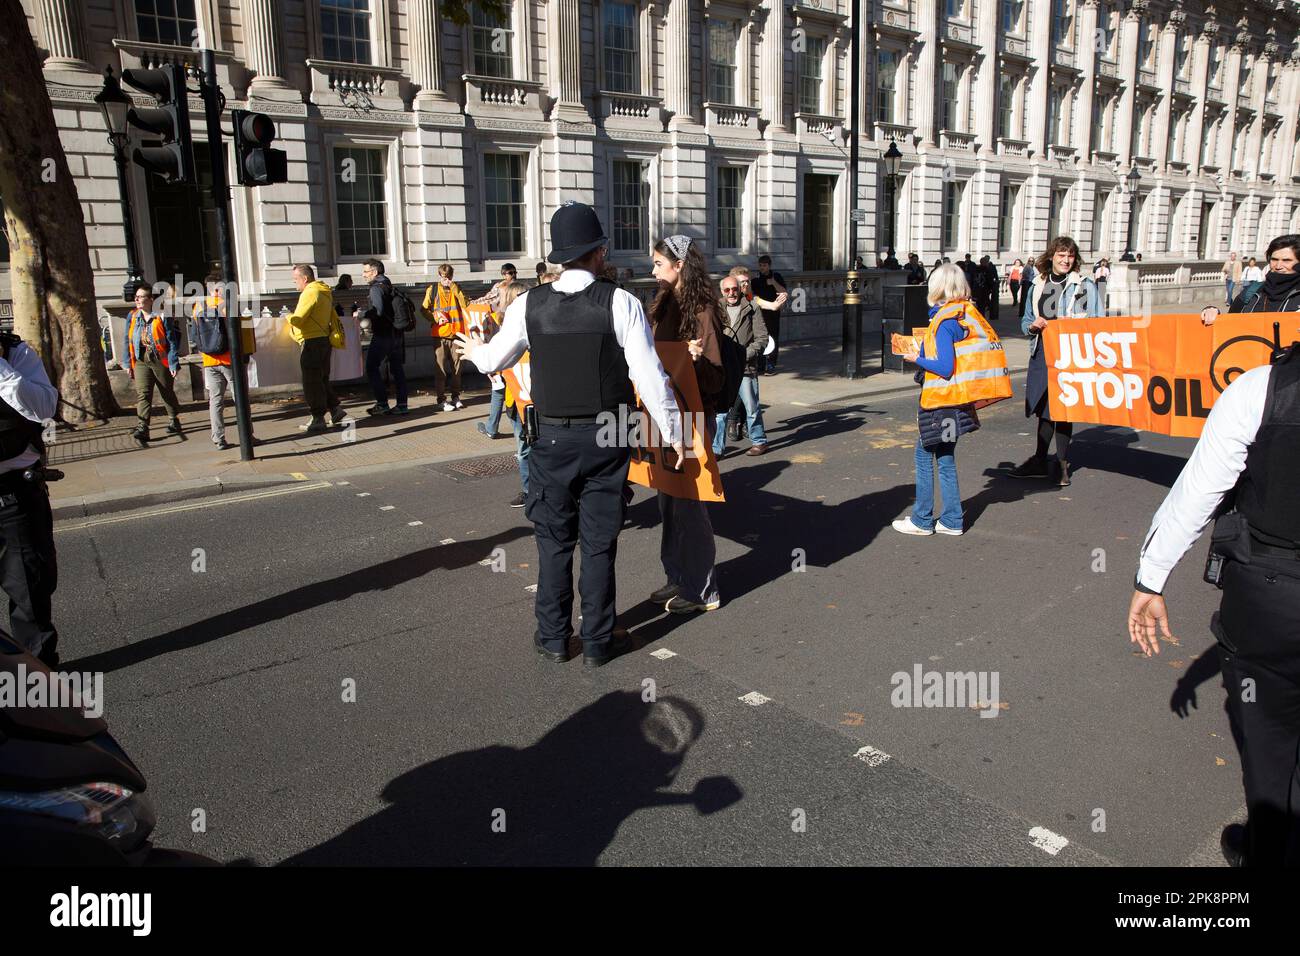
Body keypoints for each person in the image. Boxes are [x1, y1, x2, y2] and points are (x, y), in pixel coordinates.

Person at [455, 202, 683, 668]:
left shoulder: (528, 303)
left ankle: (554, 638)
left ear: (559, 255)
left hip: (550, 440)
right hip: (607, 436)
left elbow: (495, 361)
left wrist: (476, 351)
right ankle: (598, 641)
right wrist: (678, 435)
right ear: (598, 251)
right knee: (600, 543)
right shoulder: (621, 303)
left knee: (554, 541)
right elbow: (650, 378)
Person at [1129, 338, 1300, 866]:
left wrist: (1151, 578)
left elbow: (1200, 489)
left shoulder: (1262, 389)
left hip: (1274, 592)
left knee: (1269, 741)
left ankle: (1271, 849)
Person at [893, 264, 1007, 536]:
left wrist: (915, 358)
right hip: (958, 400)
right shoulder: (965, 315)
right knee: (945, 457)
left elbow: (944, 367)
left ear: (938, 287)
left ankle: (922, 520)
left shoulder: (944, 322)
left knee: (923, 455)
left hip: (940, 401)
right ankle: (952, 520)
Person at [650, 236, 725, 614]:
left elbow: (716, 378)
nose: (653, 271)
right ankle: (677, 575)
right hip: (663, 415)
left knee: (690, 503)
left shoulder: (702, 309)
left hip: (693, 415)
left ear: (680, 265)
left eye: (659, 264)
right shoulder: (665, 303)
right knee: (667, 501)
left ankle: (703, 588)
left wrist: (695, 360)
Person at [1007, 236, 1102, 487]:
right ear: (1052, 256)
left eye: (1070, 256)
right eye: (1061, 255)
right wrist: (1033, 326)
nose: (1066, 260)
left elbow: (1098, 323)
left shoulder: (1085, 286)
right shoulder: (1038, 284)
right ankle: (1039, 460)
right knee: (1044, 408)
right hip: (1042, 352)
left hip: (1071, 356)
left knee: (1064, 409)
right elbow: (1026, 321)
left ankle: (1061, 464)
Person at [0, 330, 61, 667]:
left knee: (30, 591)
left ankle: (39, 677)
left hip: (14, 495)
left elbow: (44, 407)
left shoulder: (16, 355)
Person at [190, 270, 259, 450]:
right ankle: (247, 435)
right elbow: (240, 331)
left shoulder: (198, 306)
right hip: (230, 360)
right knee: (240, 399)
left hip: (209, 360)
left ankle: (218, 438)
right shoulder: (228, 305)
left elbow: (194, 334)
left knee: (215, 401)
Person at [287, 264, 348, 435]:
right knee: (321, 378)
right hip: (324, 339)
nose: (295, 284)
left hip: (311, 341)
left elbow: (298, 320)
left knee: (311, 381)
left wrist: (288, 316)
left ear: (305, 278)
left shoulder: (310, 292)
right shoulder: (324, 291)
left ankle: (318, 418)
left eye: (296, 280)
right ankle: (335, 409)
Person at [713, 274, 768, 458]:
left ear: (740, 289)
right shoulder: (715, 308)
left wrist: (745, 354)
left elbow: (762, 338)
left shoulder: (752, 307)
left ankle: (759, 441)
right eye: (727, 290)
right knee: (720, 412)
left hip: (745, 366)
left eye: (735, 289)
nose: (731, 293)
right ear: (722, 291)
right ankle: (716, 449)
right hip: (723, 366)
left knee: (751, 407)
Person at [124, 282, 183, 447]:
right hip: (141, 359)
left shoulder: (163, 316)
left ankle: (174, 419)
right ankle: (143, 427)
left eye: (141, 296)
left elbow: (171, 342)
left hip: (160, 358)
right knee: (143, 394)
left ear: (151, 300)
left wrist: (172, 363)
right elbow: (126, 339)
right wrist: (128, 362)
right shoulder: (133, 316)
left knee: (166, 391)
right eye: (136, 297)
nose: (137, 299)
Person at [1202, 235, 1300, 323]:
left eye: (1286, 261)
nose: (1278, 266)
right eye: (1274, 260)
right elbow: (1230, 321)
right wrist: (1213, 312)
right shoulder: (1252, 290)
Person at [358, 259, 409, 417]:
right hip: (396, 334)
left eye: (366, 272)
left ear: (374, 272)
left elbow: (378, 311)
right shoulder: (388, 285)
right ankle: (402, 405)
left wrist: (362, 314)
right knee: (397, 370)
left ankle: (382, 404)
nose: (364, 275)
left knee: (371, 367)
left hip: (383, 335)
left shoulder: (376, 288)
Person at [478, 280, 528, 439]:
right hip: (511, 381)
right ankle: (492, 427)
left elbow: (500, 354)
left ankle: (492, 428)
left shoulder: (509, 320)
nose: (498, 300)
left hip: (519, 389)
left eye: (501, 297)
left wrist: (480, 354)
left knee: (523, 442)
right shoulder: (497, 316)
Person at [422, 264, 468, 411]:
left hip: (456, 335)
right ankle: (441, 399)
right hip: (440, 335)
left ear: (452, 276)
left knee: (457, 369)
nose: (446, 279)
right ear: (439, 275)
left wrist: (454, 288)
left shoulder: (456, 288)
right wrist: (434, 318)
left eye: (449, 277)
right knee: (440, 370)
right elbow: (424, 309)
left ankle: (456, 397)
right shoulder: (433, 290)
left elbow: (465, 304)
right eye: (443, 277)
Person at [751, 255, 788, 373]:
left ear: (769, 265)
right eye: (760, 265)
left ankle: (771, 363)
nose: (762, 268)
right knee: (760, 338)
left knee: (773, 338)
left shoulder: (776, 276)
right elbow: (752, 295)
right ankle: (761, 364)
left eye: (764, 265)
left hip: (773, 313)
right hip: (760, 313)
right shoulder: (756, 279)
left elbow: (783, 291)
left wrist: (773, 283)